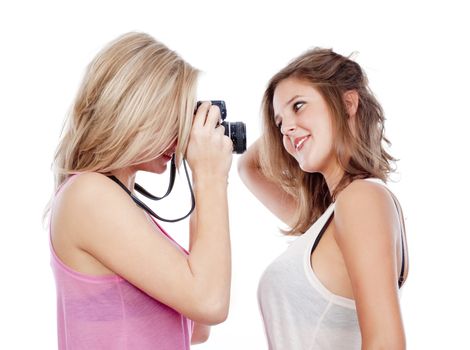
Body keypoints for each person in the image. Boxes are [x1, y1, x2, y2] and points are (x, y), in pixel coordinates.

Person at [47, 32, 233, 349]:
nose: (182, 135)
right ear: (137, 111)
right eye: (174, 117)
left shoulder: (121, 205)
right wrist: (210, 176)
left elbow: (197, 328)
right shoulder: (89, 195)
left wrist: (209, 180)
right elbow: (210, 302)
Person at [238, 48, 409, 349]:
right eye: (279, 124)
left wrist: (303, 123)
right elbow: (248, 168)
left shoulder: (362, 200)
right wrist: (297, 122)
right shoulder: (328, 217)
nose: (286, 128)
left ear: (348, 102)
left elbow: (386, 342)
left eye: (299, 105)